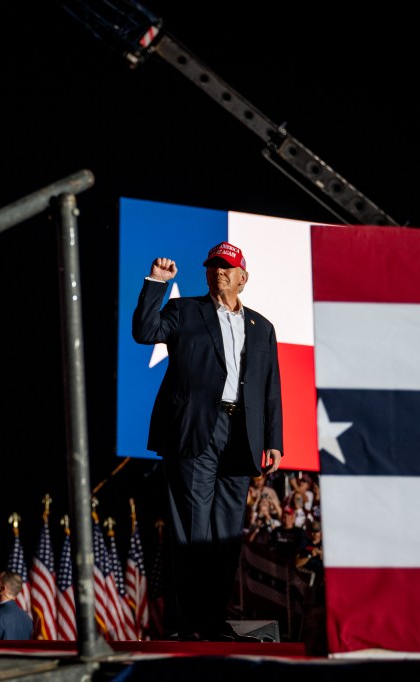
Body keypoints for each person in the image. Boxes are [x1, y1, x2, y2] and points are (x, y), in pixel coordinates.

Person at [131, 242, 283, 643]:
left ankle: (214, 622)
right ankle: (188, 623)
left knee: (226, 536)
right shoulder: (185, 311)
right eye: (214, 265)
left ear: (242, 278)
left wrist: (274, 441)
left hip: (242, 437)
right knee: (193, 532)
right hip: (194, 429)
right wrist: (156, 284)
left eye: (227, 267)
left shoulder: (262, 327)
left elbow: (271, 391)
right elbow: (145, 332)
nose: (219, 271)